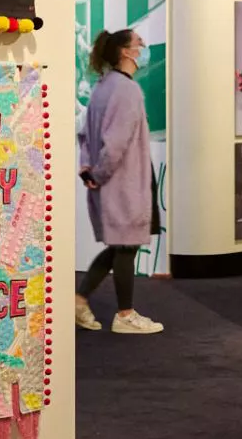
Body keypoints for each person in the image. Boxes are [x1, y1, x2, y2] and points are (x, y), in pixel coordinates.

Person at [75, 29, 164, 335]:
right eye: (138, 42)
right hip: (123, 184)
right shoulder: (127, 91)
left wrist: (89, 171)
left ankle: (79, 299)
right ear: (126, 52)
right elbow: (115, 143)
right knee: (126, 246)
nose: (143, 46)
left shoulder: (102, 88)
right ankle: (125, 314)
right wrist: (98, 173)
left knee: (119, 246)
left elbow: (85, 136)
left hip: (108, 182)